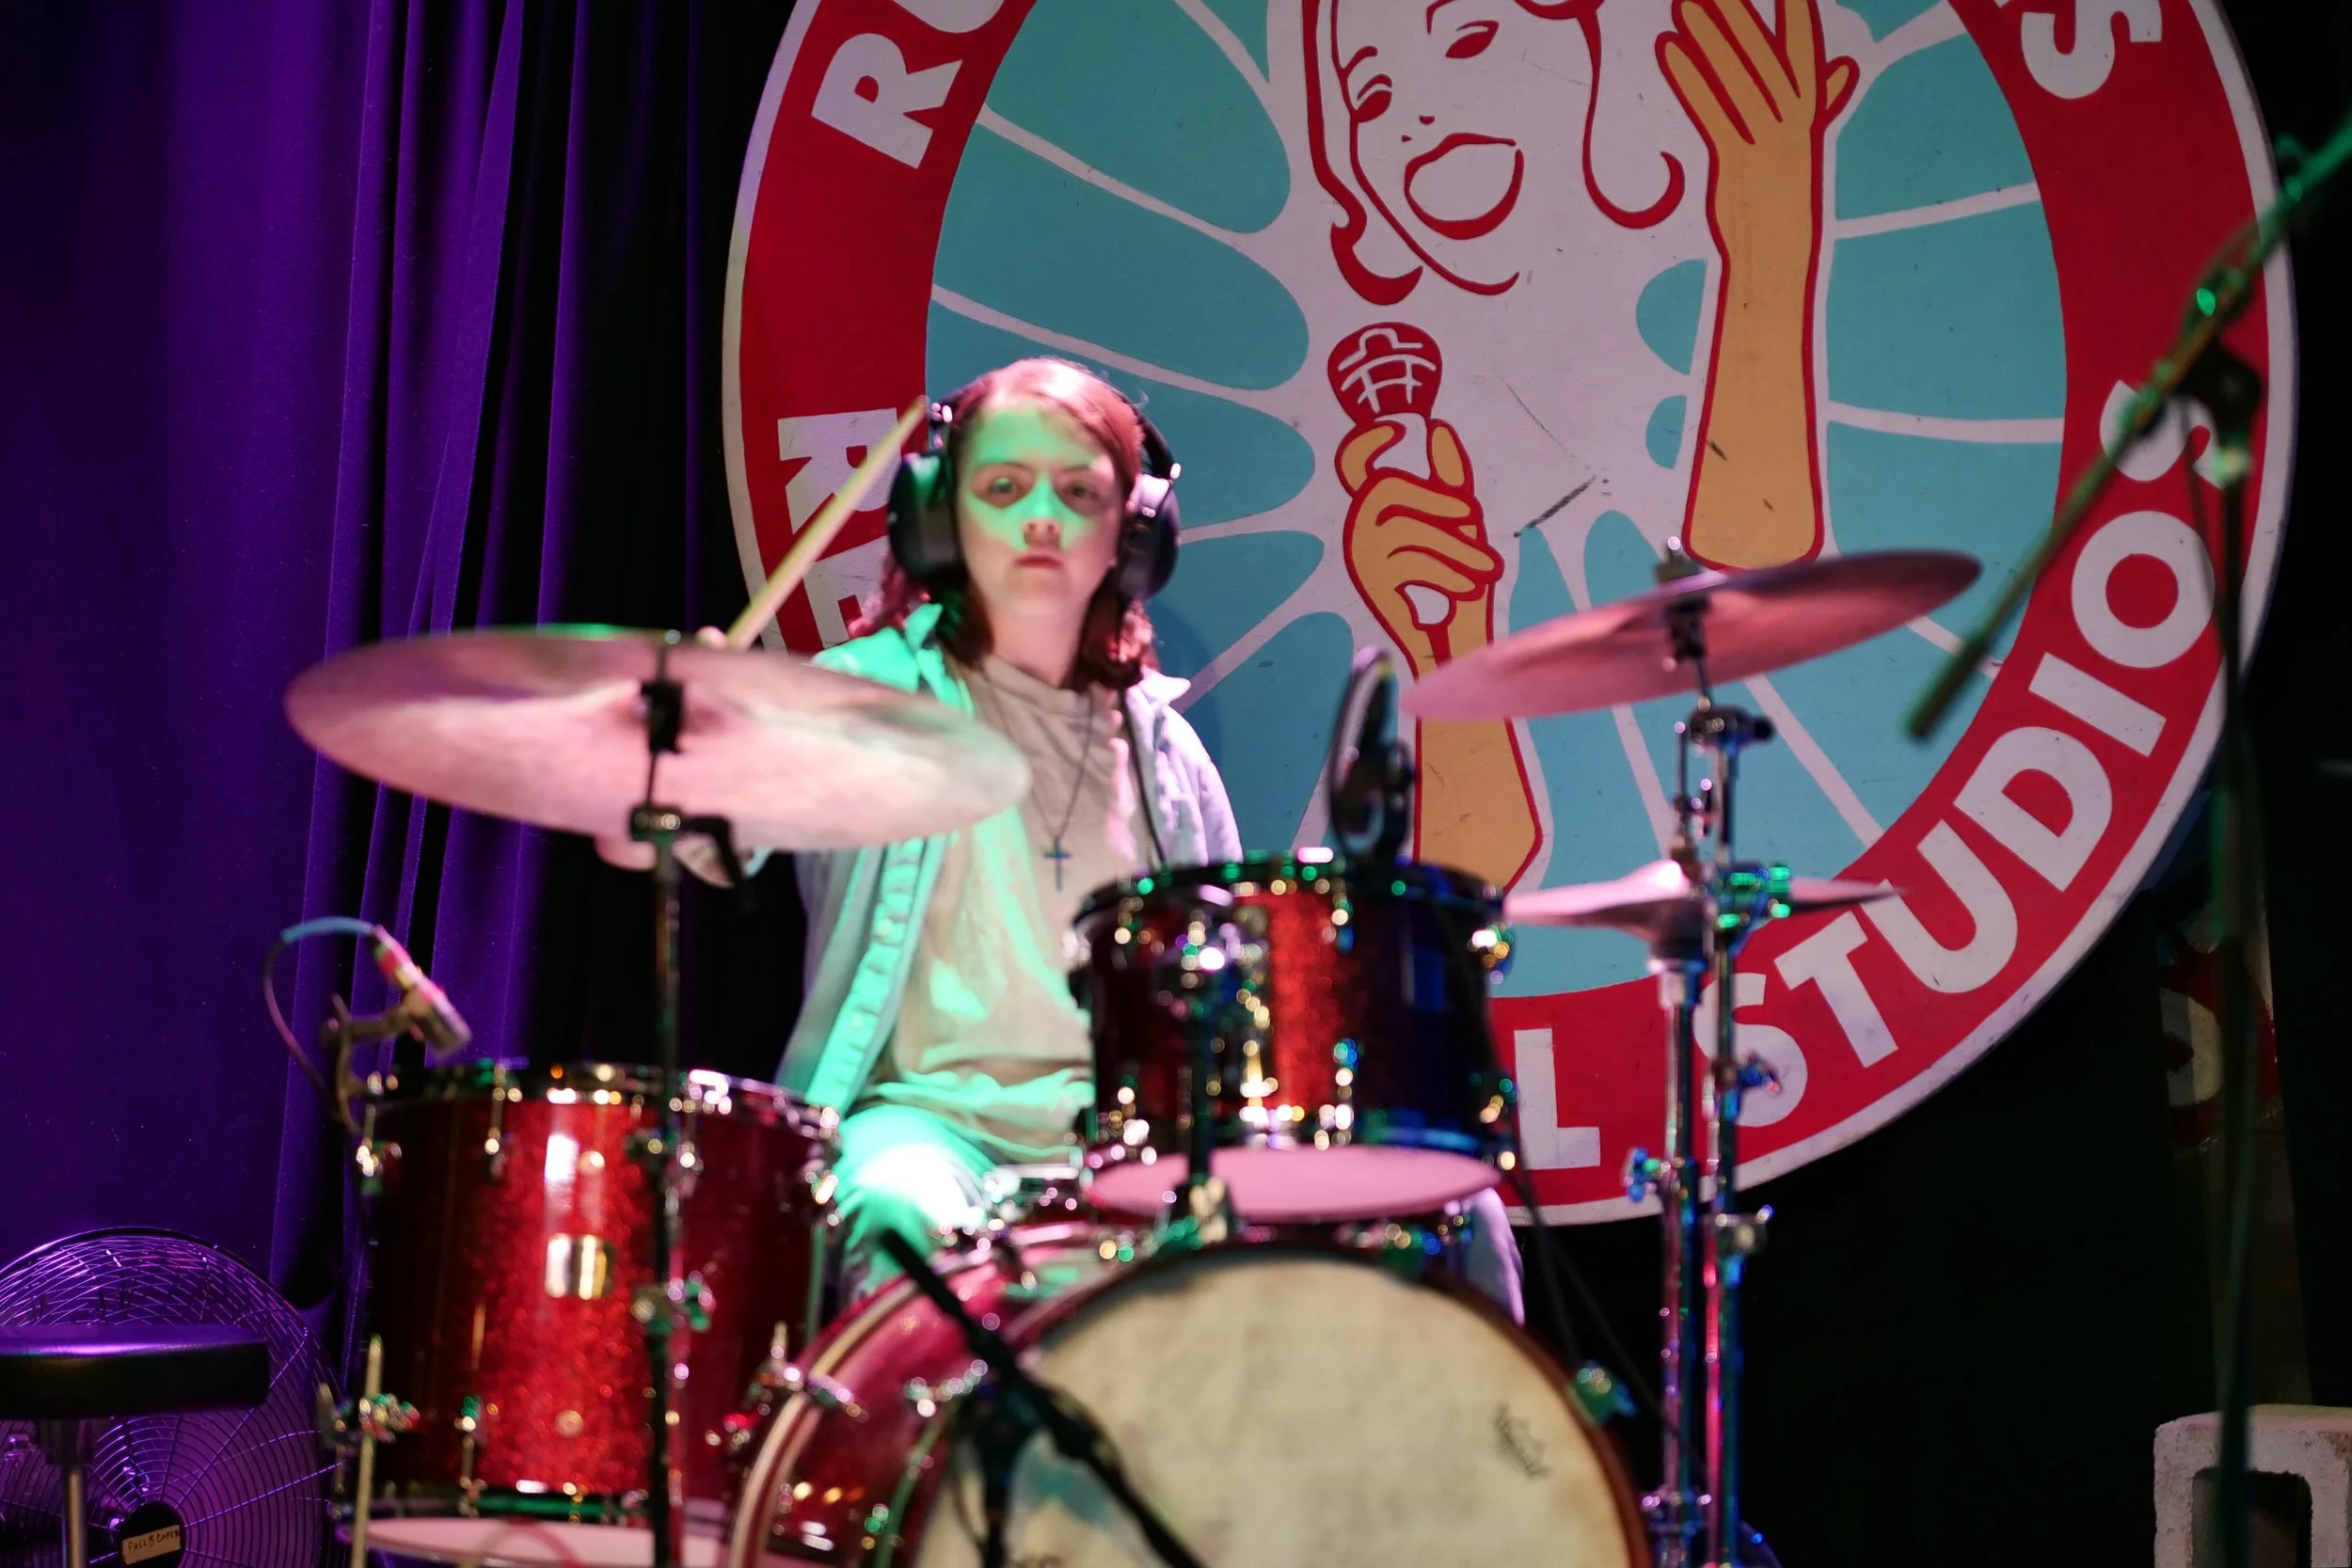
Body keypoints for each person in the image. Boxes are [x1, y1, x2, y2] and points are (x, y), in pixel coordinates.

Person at [624, 356, 1522, 1314]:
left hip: (1128, 1135)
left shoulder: (1163, 748)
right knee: (893, 1206)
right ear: (938, 519)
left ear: (1132, 537)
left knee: (1458, 1204)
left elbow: (1232, 984)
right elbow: (667, 843)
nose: (1039, 517)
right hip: (930, 1125)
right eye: (1002, 488)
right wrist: (674, 754)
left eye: (1077, 490)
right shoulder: (861, 697)